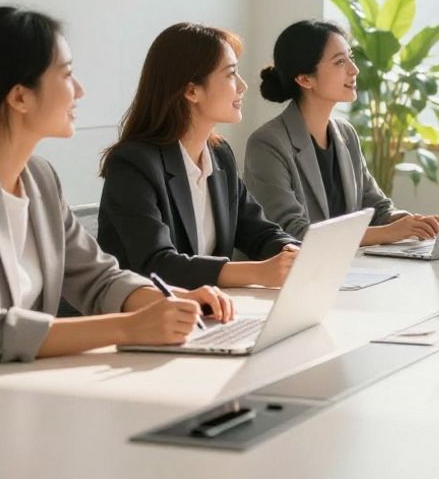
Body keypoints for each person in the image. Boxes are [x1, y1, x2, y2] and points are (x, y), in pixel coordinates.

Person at [0, 7, 228, 385]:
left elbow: (98, 277)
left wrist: (169, 301)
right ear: (20, 97)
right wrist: (128, 328)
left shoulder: (39, 178)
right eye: (68, 74)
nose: (81, 90)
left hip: (0, 387)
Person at [98, 23, 300, 289]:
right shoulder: (133, 164)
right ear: (192, 91)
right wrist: (257, 273)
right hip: (149, 320)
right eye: (230, 74)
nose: (242, 86)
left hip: (211, 313)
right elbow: (157, 265)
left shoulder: (219, 155)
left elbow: (257, 231)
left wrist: (293, 252)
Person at [243, 20, 439, 245]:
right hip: (293, 275)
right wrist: (393, 232)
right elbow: (292, 233)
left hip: (351, 268)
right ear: (305, 79)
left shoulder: (346, 134)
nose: (353, 70)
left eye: (351, 58)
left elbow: (377, 208)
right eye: (339, 62)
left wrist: (417, 223)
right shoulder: (267, 143)